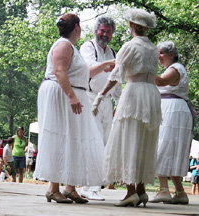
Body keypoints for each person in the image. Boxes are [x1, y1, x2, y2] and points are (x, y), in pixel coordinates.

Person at [93, 8, 161, 207]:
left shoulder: (129, 46)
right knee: (143, 139)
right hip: (151, 94)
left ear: (131, 26)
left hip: (135, 93)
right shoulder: (152, 48)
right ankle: (141, 190)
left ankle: (132, 190)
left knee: (129, 138)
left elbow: (116, 75)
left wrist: (100, 96)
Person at [33, 13, 104, 204]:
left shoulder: (72, 48)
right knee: (59, 136)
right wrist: (71, 96)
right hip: (61, 94)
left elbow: (84, 73)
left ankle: (70, 187)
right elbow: (59, 71)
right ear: (77, 28)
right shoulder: (63, 44)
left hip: (72, 93)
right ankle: (53, 188)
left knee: (75, 139)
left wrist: (105, 65)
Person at [79, 16, 120, 201]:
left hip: (106, 101)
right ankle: (89, 186)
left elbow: (116, 80)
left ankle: (95, 185)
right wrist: (107, 65)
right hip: (89, 97)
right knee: (92, 141)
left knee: (104, 143)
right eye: (102, 30)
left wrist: (119, 103)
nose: (105, 34)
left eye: (108, 31)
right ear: (96, 30)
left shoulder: (112, 51)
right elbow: (89, 69)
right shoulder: (88, 47)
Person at [150, 41, 193, 204]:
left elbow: (160, 81)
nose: (158, 56)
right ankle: (181, 192)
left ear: (171, 54)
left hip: (173, 110)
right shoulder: (172, 69)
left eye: (161, 53)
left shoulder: (176, 69)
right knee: (170, 148)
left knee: (163, 146)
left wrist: (142, 69)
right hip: (172, 109)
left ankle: (163, 190)